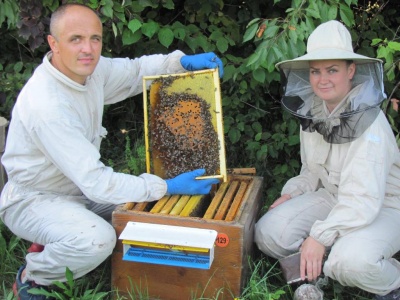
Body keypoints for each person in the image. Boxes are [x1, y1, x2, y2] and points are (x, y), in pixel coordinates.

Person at [0, 3, 224, 299]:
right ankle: (35, 276)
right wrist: (166, 185)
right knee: (97, 240)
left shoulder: (91, 71)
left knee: (145, 211)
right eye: (75, 39)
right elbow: (98, 182)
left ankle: (56, 239)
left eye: (95, 38)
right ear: (53, 44)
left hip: (78, 190)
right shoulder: (48, 106)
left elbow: (134, 71)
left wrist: (179, 63)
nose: (88, 49)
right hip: (35, 200)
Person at [254, 20, 400, 299]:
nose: (322, 80)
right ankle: (315, 269)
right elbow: (311, 170)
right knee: (269, 232)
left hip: (385, 205)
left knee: (349, 262)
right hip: (334, 196)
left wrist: (319, 237)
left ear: (351, 70)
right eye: (315, 71)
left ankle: (391, 281)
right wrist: (293, 193)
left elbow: (363, 198)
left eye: (332, 70)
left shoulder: (371, 123)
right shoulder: (314, 111)